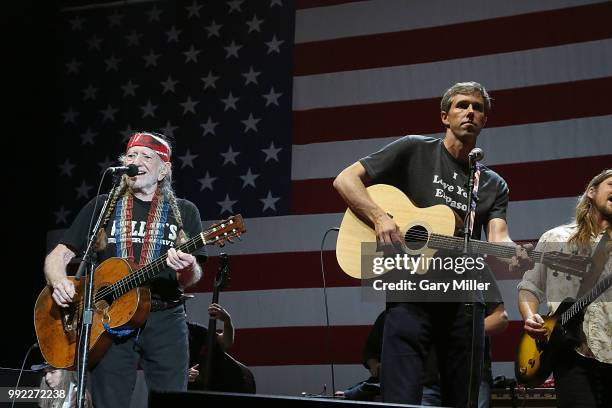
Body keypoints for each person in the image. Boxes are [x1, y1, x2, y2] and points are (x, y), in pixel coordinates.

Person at [333, 81, 531, 406]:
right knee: (401, 399)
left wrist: (512, 253)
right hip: (409, 295)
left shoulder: (493, 184)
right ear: (444, 116)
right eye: (462, 105)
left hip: (464, 301)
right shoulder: (414, 149)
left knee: (462, 401)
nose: (470, 112)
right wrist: (380, 217)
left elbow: (498, 236)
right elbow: (345, 179)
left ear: (484, 121)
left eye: (478, 108)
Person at [44, 131, 207, 408]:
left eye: (147, 156)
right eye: (131, 155)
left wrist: (188, 266)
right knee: (109, 401)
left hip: (164, 317)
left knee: (172, 400)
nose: (137, 160)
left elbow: (190, 279)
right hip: (109, 318)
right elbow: (57, 257)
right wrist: (59, 281)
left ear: (164, 170)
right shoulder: (103, 206)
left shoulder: (184, 211)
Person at [518, 168, 612, 408]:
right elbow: (530, 286)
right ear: (591, 192)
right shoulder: (555, 238)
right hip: (571, 355)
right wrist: (530, 317)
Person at [187, 302, 236, 386]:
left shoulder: (192, 329)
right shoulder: (158, 334)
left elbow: (225, 343)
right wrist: (181, 375)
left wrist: (227, 321)